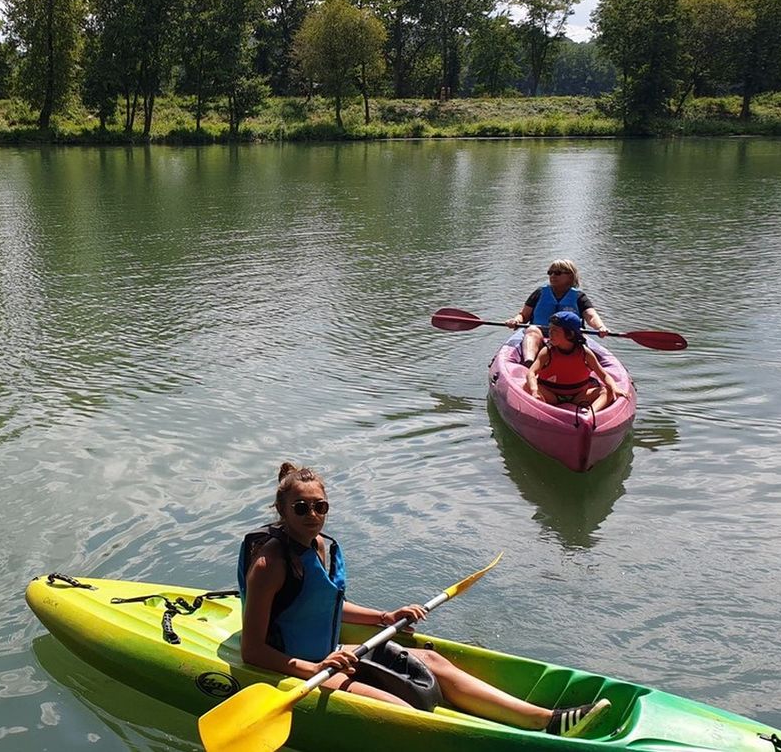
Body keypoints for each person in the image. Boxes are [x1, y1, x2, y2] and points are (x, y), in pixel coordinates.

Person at [238, 462, 610, 739]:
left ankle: (545, 720)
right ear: (282, 511)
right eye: (301, 508)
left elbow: (321, 605)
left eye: (320, 506)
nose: (313, 516)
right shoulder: (270, 564)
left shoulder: (324, 548)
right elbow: (253, 651)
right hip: (296, 667)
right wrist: (315, 667)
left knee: (431, 660)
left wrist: (385, 616)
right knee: (400, 712)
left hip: (334, 654)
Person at [504, 259, 610, 366]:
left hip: (568, 337)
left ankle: (580, 366)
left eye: (558, 273)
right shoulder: (540, 293)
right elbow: (524, 315)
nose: (553, 275)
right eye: (550, 272)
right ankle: (529, 363)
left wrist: (600, 327)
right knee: (531, 330)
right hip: (540, 333)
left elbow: (591, 316)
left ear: (570, 276)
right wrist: (516, 320)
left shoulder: (579, 297)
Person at [525, 311, 628, 411]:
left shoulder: (585, 353)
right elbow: (531, 373)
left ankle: (591, 414)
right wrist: (534, 390)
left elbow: (603, 375)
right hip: (551, 395)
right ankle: (542, 408)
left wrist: (615, 388)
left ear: (570, 334)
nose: (550, 333)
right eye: (550, 329)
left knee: (608, 391)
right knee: (527, 385)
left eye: (555, 331)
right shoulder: (547, 352)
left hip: (578, 397)